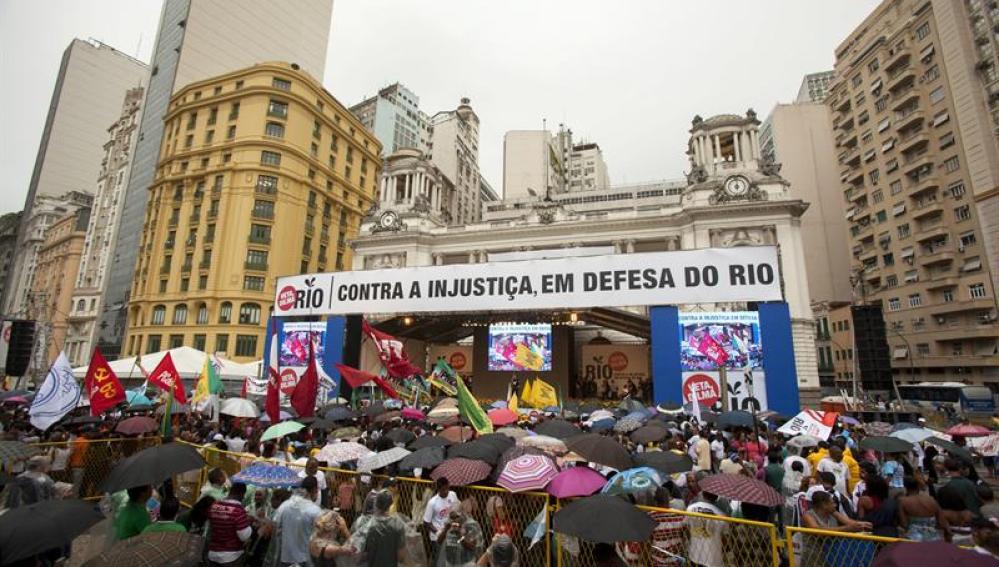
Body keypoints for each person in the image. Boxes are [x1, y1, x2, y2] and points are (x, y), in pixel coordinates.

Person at [274, 475, 323, 566]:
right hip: (305, 560)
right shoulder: (315, 510)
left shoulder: (285, 505)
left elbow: (276, 527)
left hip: (285, 559)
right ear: (314, 490)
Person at [207, 482, 253, 567]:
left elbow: (211, 527)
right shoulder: (238, 510)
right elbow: (244, 536)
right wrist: (248, 522)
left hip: (212, 554)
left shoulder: (214, 506)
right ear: (242, 494)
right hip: (231, 556)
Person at [361, 490, 408, 567]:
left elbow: (361, 554)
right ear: (390, 504)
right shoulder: (398, 525)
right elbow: (401, 557)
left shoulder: (369, 525)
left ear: (376, 504)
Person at [686, 490, 727, 567]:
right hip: (713, 559)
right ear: (716, 497)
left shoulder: (690, 509)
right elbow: (725, 540)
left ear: (703, 493)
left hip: (694, 555)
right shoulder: (722, 516)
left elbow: (687, 529)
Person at [424, 477, 460, 559]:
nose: (446, 491)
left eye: (447, 488)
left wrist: (456, 514)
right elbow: (426, 522)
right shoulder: (432, 503)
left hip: (451, 535)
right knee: (440, 560)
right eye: (443, 490)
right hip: (438, 537)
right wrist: (438, 532)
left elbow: (457, 508)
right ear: (438, 489)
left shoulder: (453, 494)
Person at [898, 475, 942, 541]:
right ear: (918, 487)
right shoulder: (931, 500)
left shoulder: (902, 501)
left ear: (905, 488)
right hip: (933, 536)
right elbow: (940, 521)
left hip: (914, 537)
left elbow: (904, 524)